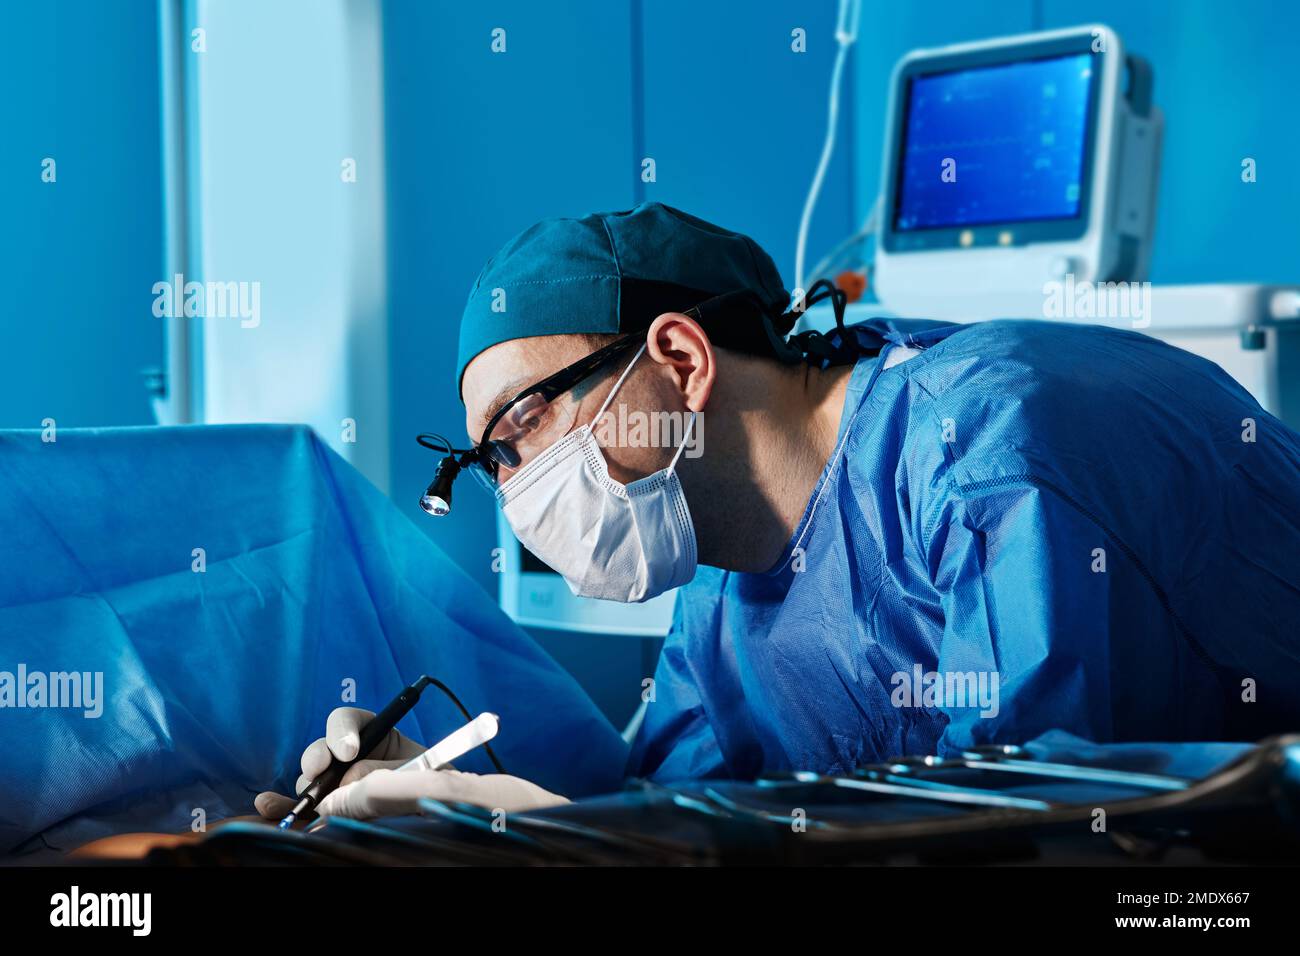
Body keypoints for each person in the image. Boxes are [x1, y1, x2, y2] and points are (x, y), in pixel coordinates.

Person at [260, 201, 1300, 821]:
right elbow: (675, 817)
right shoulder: (723, 597)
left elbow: (1036, 815)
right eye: (490, 462)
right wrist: (440, 803)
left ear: (678, 357)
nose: (517, 485)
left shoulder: (987, 449)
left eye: (524, 428)